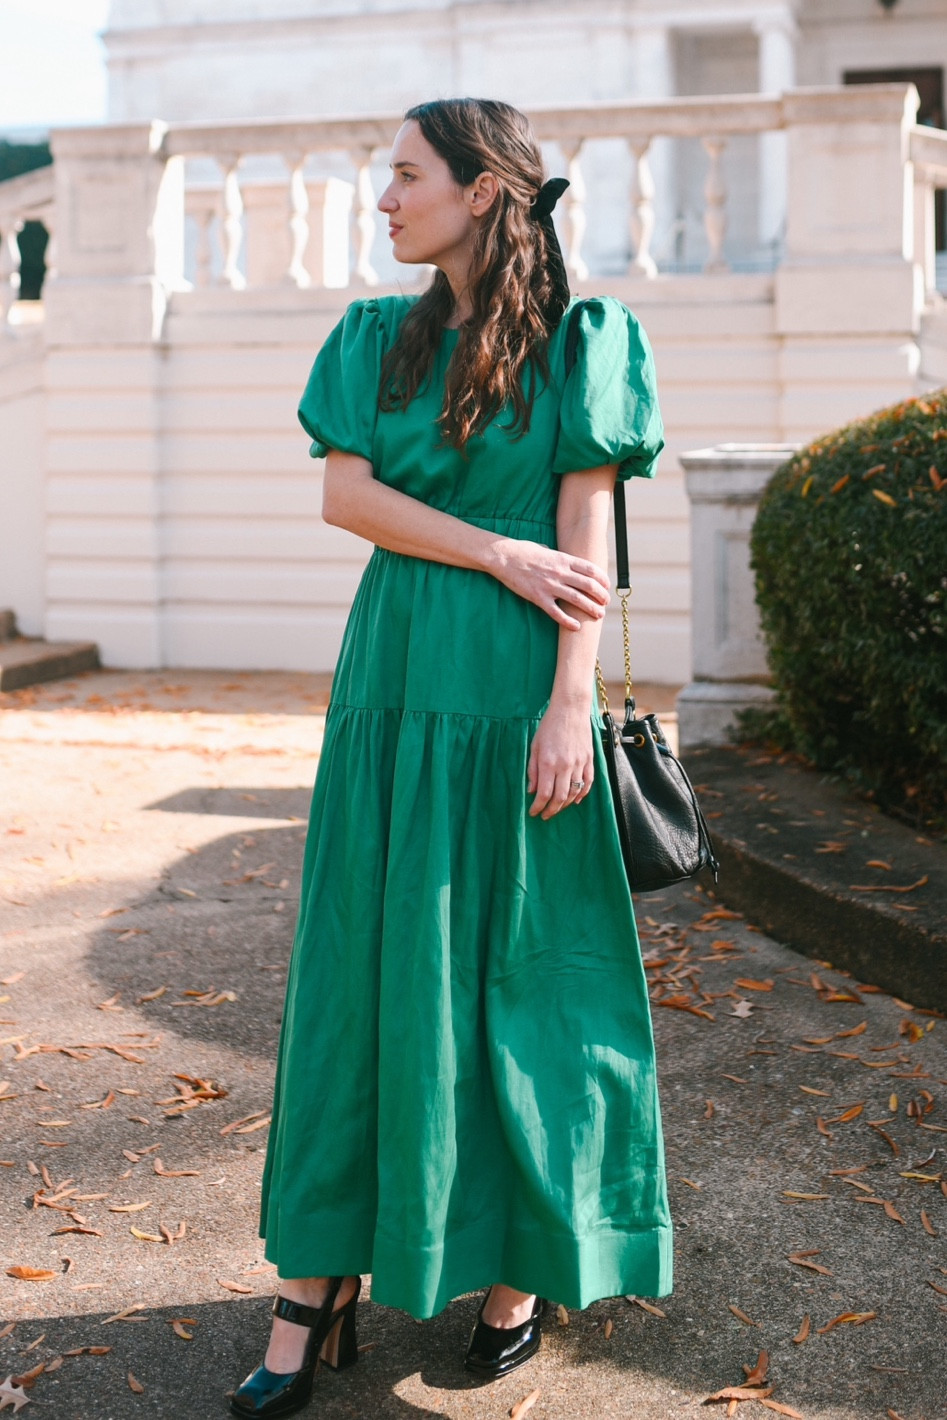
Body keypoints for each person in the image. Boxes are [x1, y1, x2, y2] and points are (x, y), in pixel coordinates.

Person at [231, 97, 671, 1420]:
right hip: (395, 687)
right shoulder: (375, 335)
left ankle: (519, 1272)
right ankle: (315, 1284)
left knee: (524, 987)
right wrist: (495, 547)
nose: (384, 197)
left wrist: (567, 707)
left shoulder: (590, 340)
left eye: (406, 175)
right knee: (364, 979)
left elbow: (585, 540)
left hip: (518, 697)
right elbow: (345, 495)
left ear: (484, 192)